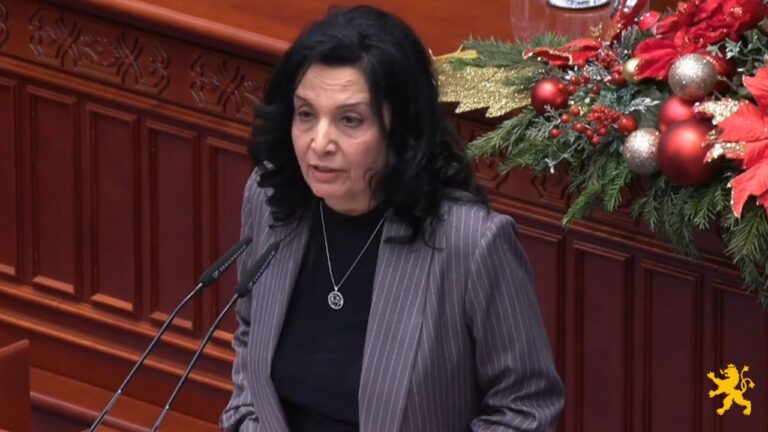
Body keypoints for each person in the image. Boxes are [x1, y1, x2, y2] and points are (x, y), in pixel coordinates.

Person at [220, 5, 564, 432]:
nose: (318, 143)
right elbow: (250, 333)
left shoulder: (470, 243)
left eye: (350, 120)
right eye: (306, 114)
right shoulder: (271, 198)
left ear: (400, 130)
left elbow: (527, 409)